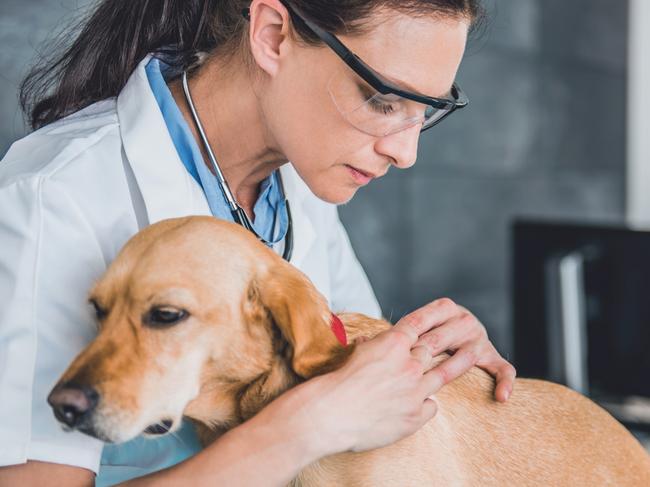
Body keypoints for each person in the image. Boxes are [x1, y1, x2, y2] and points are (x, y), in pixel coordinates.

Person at [0, 0, 516, 485]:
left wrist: (438, 369)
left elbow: (361, 401)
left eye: (424, 110)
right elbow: (331, 415)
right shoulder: (48, 197)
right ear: (272, 36)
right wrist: (303, 429)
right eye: (382, 98)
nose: (406, 153)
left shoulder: (301, 184)